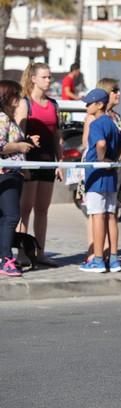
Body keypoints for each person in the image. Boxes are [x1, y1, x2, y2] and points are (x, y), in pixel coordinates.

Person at [15, 62, 61, 268]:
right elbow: (17, 133)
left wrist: (60, 162)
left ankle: (40, 252)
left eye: (50, 77)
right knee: (25, 209)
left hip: (48, 160)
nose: (48, 80)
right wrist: (27, 139)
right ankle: (22, 253)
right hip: (29, 160)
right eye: (44, 77)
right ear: (33, 79)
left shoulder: (54, 104)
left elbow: (57, 136)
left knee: (43, 209)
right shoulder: (25, 103)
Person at [81, 78, 121, 264]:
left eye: (89, 104)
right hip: (110, 174)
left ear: (98, 104)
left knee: (97, 215)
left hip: (97, 173)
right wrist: (114, 160)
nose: (86, 108)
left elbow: (97, 143)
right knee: (110, 216)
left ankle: (98, 257)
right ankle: (113, 258)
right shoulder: (112, 123)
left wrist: (101, 159)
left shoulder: (98, 123)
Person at [0, 80, 38, 277]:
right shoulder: (3, 118)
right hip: (6, 174)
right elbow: (2, 146)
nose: (19, 99)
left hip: (13, 172)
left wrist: (26, 142)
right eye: (16, 95)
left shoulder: (8, 118)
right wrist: (19, 147)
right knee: (11, 216)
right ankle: (5, 259)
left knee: (6, 216)